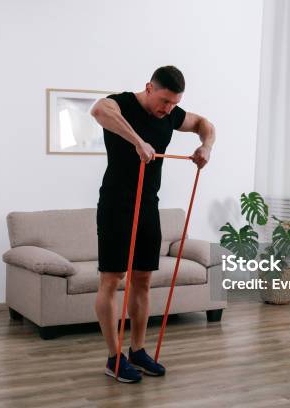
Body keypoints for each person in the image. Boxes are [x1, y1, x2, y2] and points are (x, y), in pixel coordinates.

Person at [90, 65, 215, 383]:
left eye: (174, 103)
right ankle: (114, 357)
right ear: (149, 88)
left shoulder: (171, 115)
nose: (168, 109)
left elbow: (204, 124)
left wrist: (206, 146)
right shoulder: (121, 103)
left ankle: (137, 351)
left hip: (148, 206)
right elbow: (99, 110)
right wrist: (137, 140)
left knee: (142, 279)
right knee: (112, 279)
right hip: (115, 205)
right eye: (164, 101)